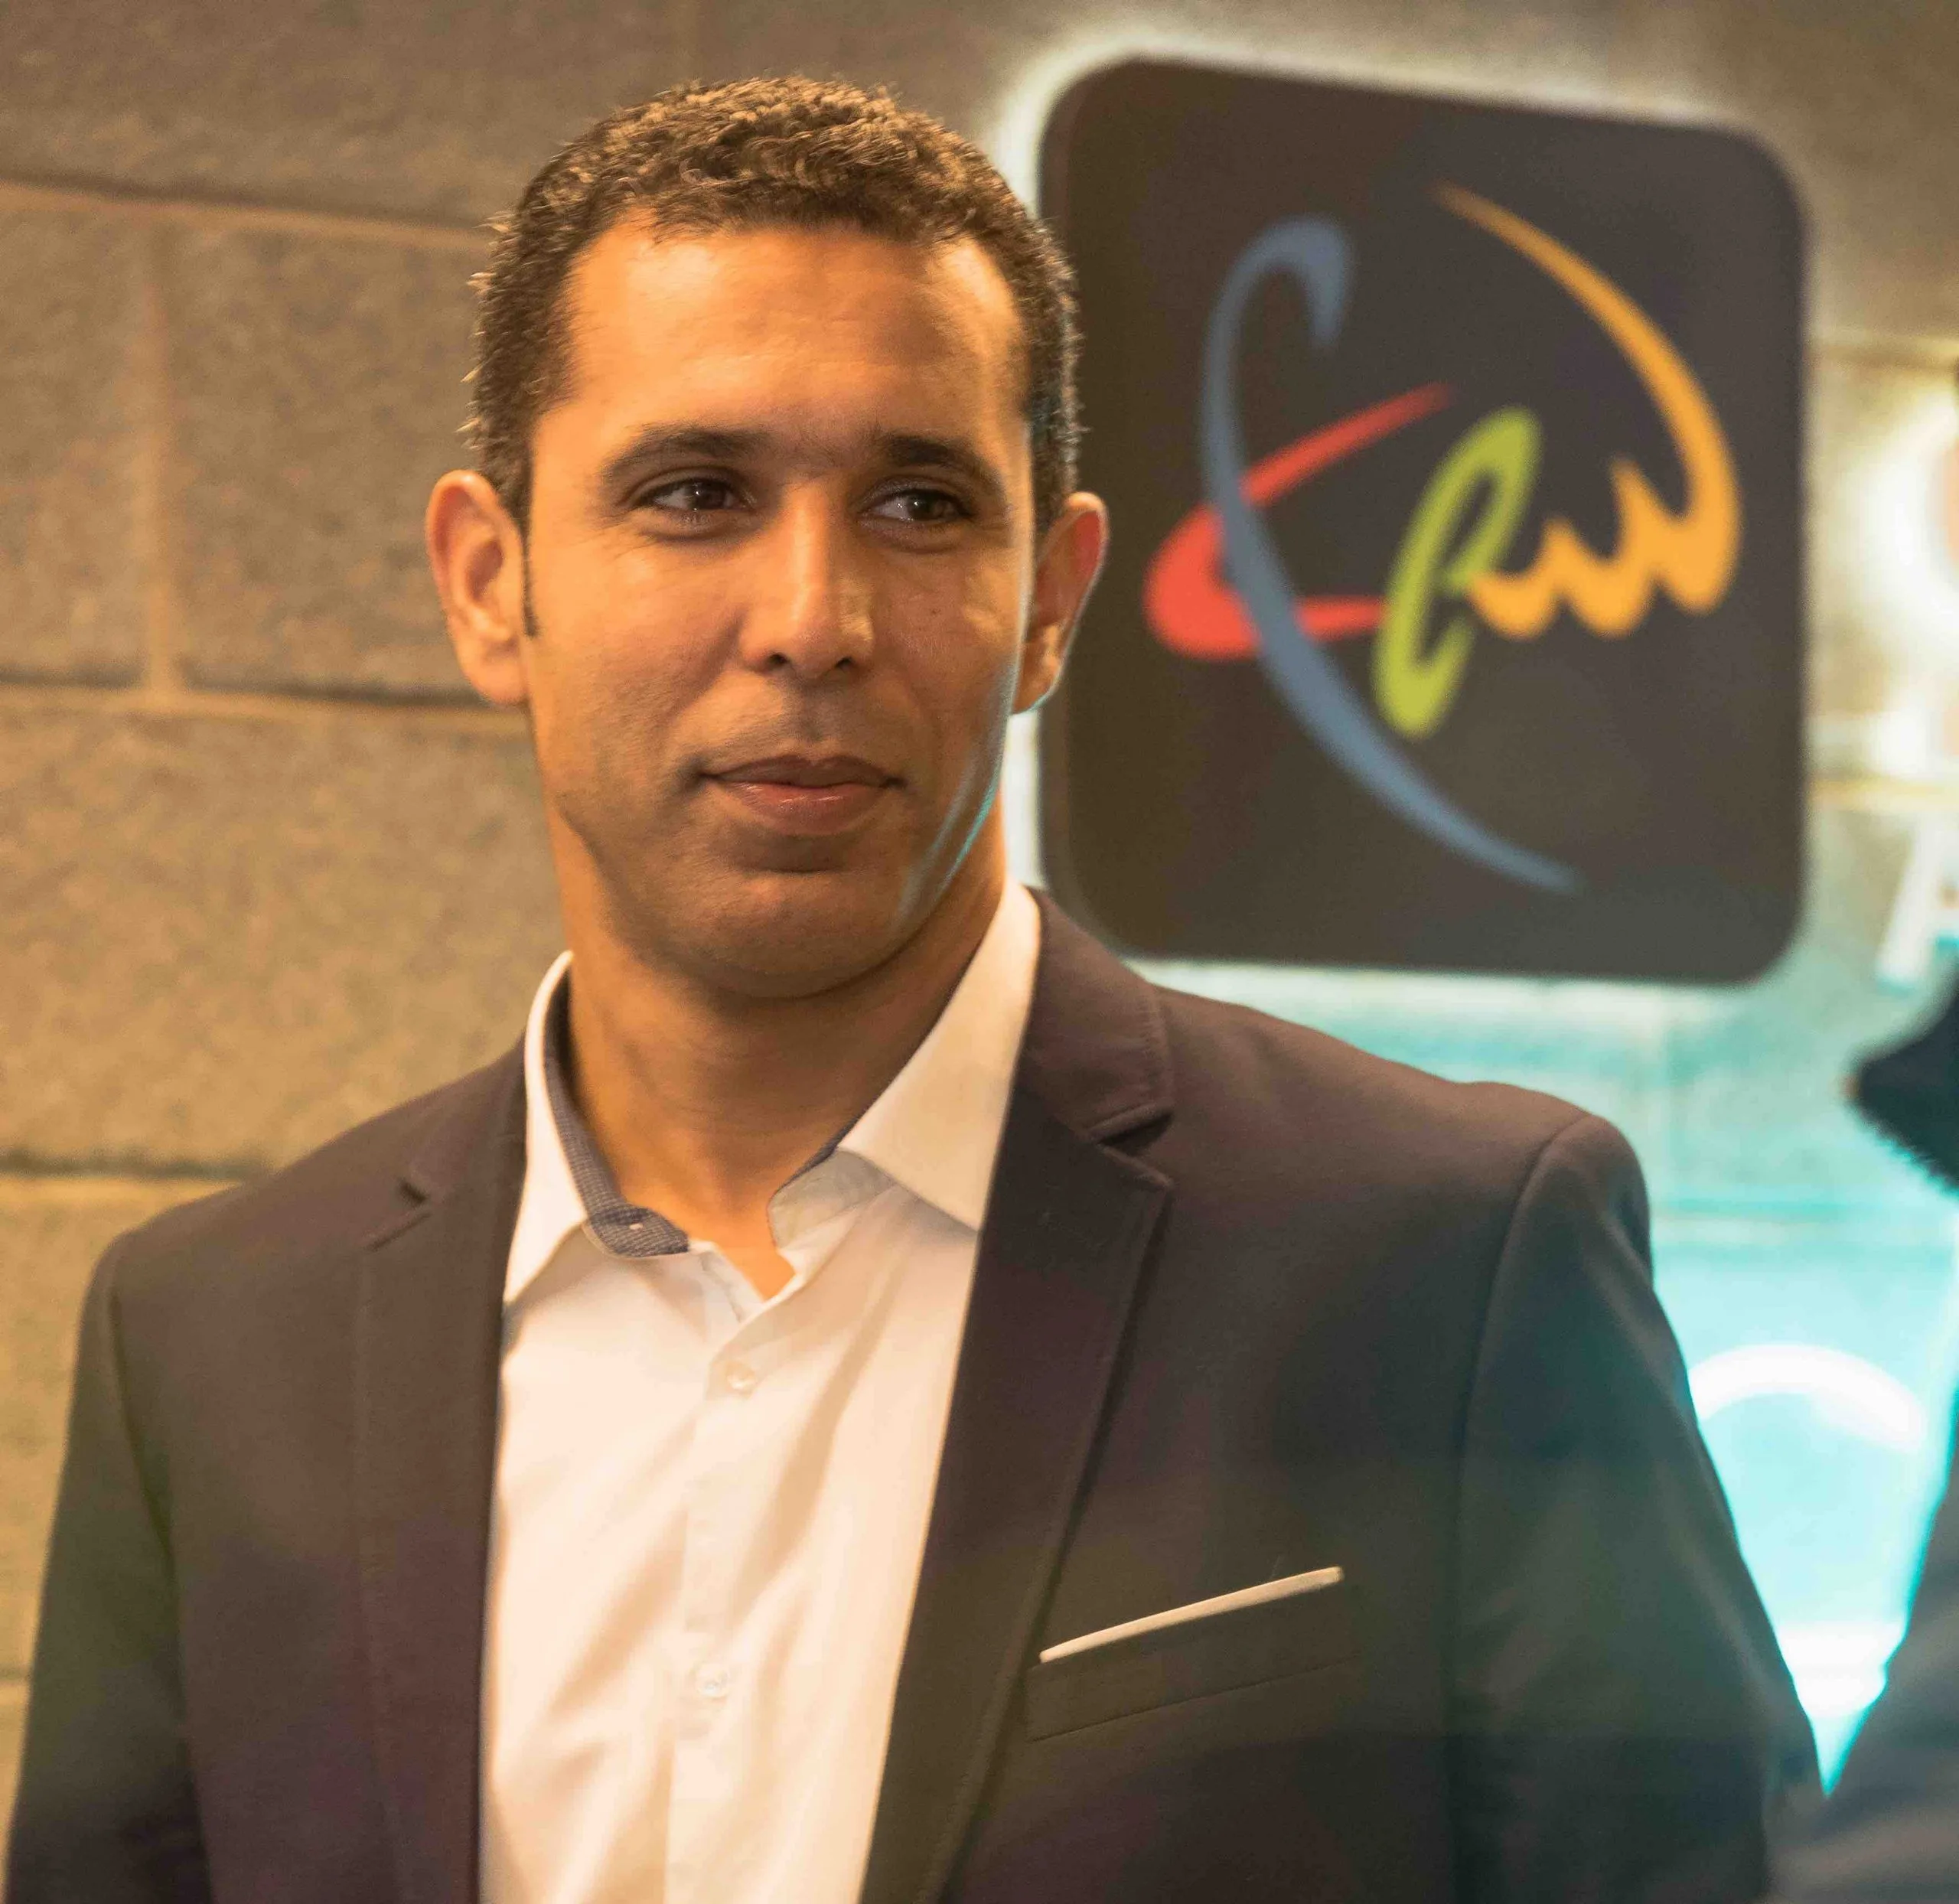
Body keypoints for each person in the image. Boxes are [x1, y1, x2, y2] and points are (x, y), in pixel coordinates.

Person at [6, 76, 1814, 1904]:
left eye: (920, 502)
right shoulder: (214, 1343)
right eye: (693, 493)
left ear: (1049, 598)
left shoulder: (1445, 1264)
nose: (813, 616)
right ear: (491, 583)